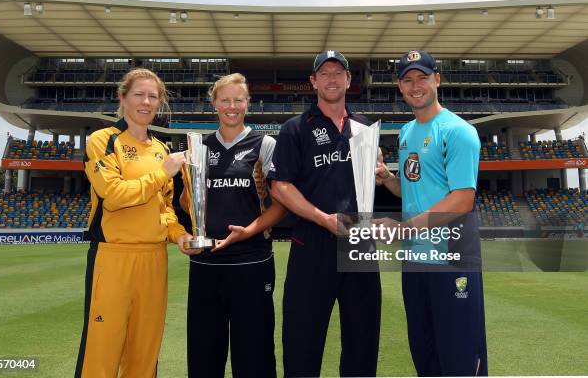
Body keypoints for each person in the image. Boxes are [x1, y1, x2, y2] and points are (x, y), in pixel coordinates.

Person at [268, 50, 381, 377]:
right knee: (302, 340)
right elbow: (279, 187)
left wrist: (380, 175)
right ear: (313, 81)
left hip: (359, 243)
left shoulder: (365, 129)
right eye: (325, 73)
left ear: (348, 80)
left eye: (338, 73)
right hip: (312, 243)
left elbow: (368, 184)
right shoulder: (295, 128)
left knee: (362, 340)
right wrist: (322, 218)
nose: (332, 79)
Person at [376, 50, 488, 376]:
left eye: (422, 78)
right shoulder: (406, 133)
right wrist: (388, 180)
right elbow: (413, 190)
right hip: (415, 261)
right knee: (425, 356)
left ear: (436, 79)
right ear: (399, 86)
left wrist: (404, 229)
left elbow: (462, 199)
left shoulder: (458, 131)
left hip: (452, 259)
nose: (415, 86)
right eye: (408, 80)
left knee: (459, 358)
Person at [75, 68, 189, 377]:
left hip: (154, 259)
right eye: (139, 94)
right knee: (103, 350)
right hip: (113, 257)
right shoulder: (103, 140)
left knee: (144, 351)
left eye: (153, 96)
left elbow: (164, 208)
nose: (146, 102)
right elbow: (112, 195)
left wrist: (179, 235)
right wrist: (163, 173)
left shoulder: (161, 150)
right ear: (123, 97)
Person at [180, 73, 286, 378]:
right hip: (206, 263)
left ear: (248, 103)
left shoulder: (265, 144)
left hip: (251, 262)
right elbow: (188, 203)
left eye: (238, 100)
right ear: (214, 103)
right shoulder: (198, 147)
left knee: (254, 354)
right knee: (203, 354)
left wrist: (250, 230)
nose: (232, 106)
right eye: (225, 100)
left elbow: (281, 204)